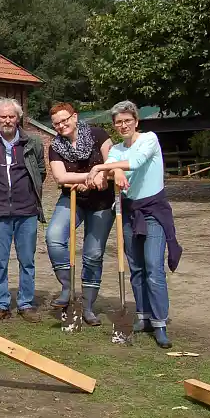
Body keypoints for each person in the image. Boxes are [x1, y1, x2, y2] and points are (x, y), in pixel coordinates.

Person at [86, 101, 182, 349]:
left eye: (127, 120)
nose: (123, 125)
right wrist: (114, 171)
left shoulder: (149, 139)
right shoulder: (117, 149)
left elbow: (136, 162)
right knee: (137, 267)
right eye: (118, 122)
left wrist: (101, 167)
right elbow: (115, 169)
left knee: (153, 267)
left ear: (136, 121)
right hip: (128, 212)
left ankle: (160, 323)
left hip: (153, 211)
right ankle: (143, 317)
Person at [0, 97, 46, 323]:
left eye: (11, 116)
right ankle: (1, 303)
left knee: (27, 260)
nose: (7, 120)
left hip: (27, 212)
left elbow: (41, 171)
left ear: (18, 118)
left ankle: (26, 303)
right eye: (3, 116)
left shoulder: (33, 142)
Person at [45, 103, 114, 326]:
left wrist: (100, 178)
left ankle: (88, 307)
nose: (61, 125)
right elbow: (61, 177)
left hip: (102, 202)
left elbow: (111, 166)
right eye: (56, 123)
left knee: (93, 254)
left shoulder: (98, 135)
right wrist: (88, 178)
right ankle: (67, 288)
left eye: (65, 120)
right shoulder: (55, 145)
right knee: (54, 236)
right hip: (72, 198)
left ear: (75, 117)